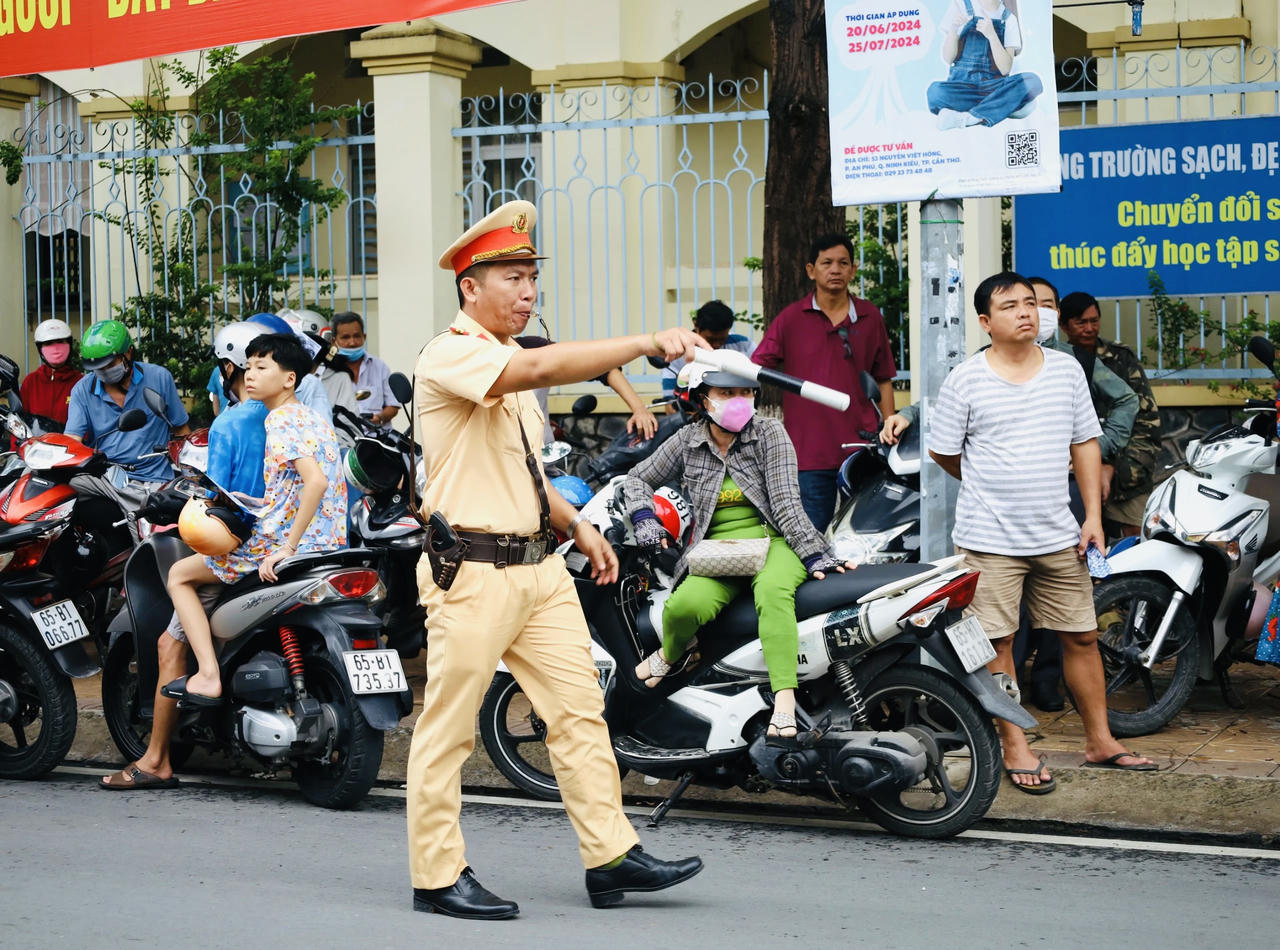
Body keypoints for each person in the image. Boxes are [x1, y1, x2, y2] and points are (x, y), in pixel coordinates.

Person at [408, 199, 705, 920]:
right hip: (471, 571)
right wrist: (642, 341)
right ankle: (437, 875)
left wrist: (576, 524)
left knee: (579, 715)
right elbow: (541, 365)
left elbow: (527, 469)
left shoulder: (511, 365)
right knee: (447, 731)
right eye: (510, 276)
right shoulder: (453, 354)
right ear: (468, 287)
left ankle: (610, 857)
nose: (527, 290)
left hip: (539, 570)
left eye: (531, 276)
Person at [928, 272, 1155, 794]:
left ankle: (1100, 740)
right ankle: (1015, 745)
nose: (1026, 312)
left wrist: (1093, 517)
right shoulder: (966, 378)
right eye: (1010, 306)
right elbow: (944, 451)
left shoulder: (1066, 371)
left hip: (1059, 533)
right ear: (986, 322)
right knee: (1000, 643)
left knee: (1081, 634)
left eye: (1030, 303)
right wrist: (988, 481)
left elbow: (1085, 445)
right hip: (989, 538)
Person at [622, 362, 853, 739]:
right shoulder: (687, 441)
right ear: (703, 400)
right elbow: (638, 478)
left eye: (745, 393)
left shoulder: (769, 433)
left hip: (773, 539)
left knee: (773, 594)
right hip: (717, 550)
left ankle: (784, 701)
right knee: (682, 607)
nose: (739, 401)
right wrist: (645, 518)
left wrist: (815, 554)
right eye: (727, 393)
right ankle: (673, 652)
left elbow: (786, 504)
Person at [99, 321, 270, 791]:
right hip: (302, 547)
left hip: (244, 550)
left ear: (230, 367)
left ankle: (156, 759)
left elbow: (218, 496)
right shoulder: (296, 417)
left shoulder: (235, 422)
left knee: (168, 638)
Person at [161, 333, 347, 706]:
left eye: (262, 367)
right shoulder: (311, 417)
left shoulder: (279, 420)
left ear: (289, 378)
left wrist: (287, 547)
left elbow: (316, 481)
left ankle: (208, 674)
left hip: (286, 541)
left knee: (179, 575)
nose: (250, 375)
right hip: (328, 542)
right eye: (248, 367)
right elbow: (298, 487)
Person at [753, 232, 898, 532]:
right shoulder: (791, 319)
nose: (835, 269)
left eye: (843, 263)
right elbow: (756, 368)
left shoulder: (870, 316)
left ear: (853, 270)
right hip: (808, 451)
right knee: (811, 533)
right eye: (827, 263)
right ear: (811, 270)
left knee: (862, 533)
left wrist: (888, 423)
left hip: (862, 447)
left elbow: (883, 377)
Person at [1059, 290, 1162, 536]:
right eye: (1080, 322)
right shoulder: (1054, 360)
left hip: (1125, 471)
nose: (1089, 328)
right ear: (1063, 326)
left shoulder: (1121, 358)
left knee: (1135, 541)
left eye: (1094, 321)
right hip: (1069, 472)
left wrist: (1110, 465)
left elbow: (1145, 421)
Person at [65, 320, 189, 511]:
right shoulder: (82, 390)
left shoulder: (159, 378)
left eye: (110, 364)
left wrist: (189, 477)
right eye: (98, 368)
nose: (104, 372)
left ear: (128, 353)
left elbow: (182, 431)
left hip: (153, 479)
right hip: (105, 479)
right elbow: (72, 442)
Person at [515, 334, 659, 442]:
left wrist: (639, 409)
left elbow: (604, 368)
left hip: (544, 464)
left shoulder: (535, 348)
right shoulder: (493, 361)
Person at [927, 0, 1042, 130]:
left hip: (993, 88)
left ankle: (969, 119)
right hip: (963, 88)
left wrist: (992, 36)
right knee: (934, 92)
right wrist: (953, 29)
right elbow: (948, 58)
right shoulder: (961, 5)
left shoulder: (1009, 19)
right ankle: (1004, 107)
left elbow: (1005, 69)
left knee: (1032, 81)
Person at [661, 300, 755, 399]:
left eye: (722, 339)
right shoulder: (679, 350)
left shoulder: (744, 345)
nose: (716, 344)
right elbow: (670, 401)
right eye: (710, 339)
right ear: (696, 326)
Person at [332, 311, 398, 426]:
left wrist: (380, 418)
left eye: (357, 336)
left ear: (364, 337)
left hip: (377, 438)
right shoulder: (329, 372)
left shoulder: (380, 367)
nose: (352, 342)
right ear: (334, 341)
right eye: (345, 337)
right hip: (343, 440)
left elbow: (393, 405)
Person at [19, 319, 82, 428]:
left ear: (69, 344)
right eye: (48, 343)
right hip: (34, 444)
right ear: (40, 349)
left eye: (60, 341)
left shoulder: (81, 383)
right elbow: (19, 423)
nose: (55, 348)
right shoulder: (31, 382)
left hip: (71, 444)